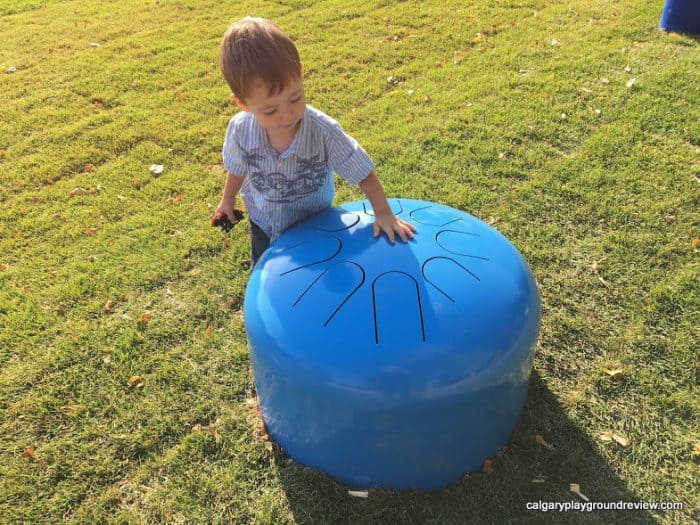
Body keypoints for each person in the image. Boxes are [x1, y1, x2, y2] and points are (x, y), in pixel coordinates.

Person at [213, 17, 416, 267]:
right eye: (270, 110)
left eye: (295, 98)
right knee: (267, 271)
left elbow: (362, 171)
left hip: (316, 223)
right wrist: (228, 199)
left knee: (319, 272)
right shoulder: (240, 129)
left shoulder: (323, 130)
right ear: (243, 105)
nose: (287, 115)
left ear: (300, 73)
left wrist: (384, 213)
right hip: (263, 222)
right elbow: (237, 168)